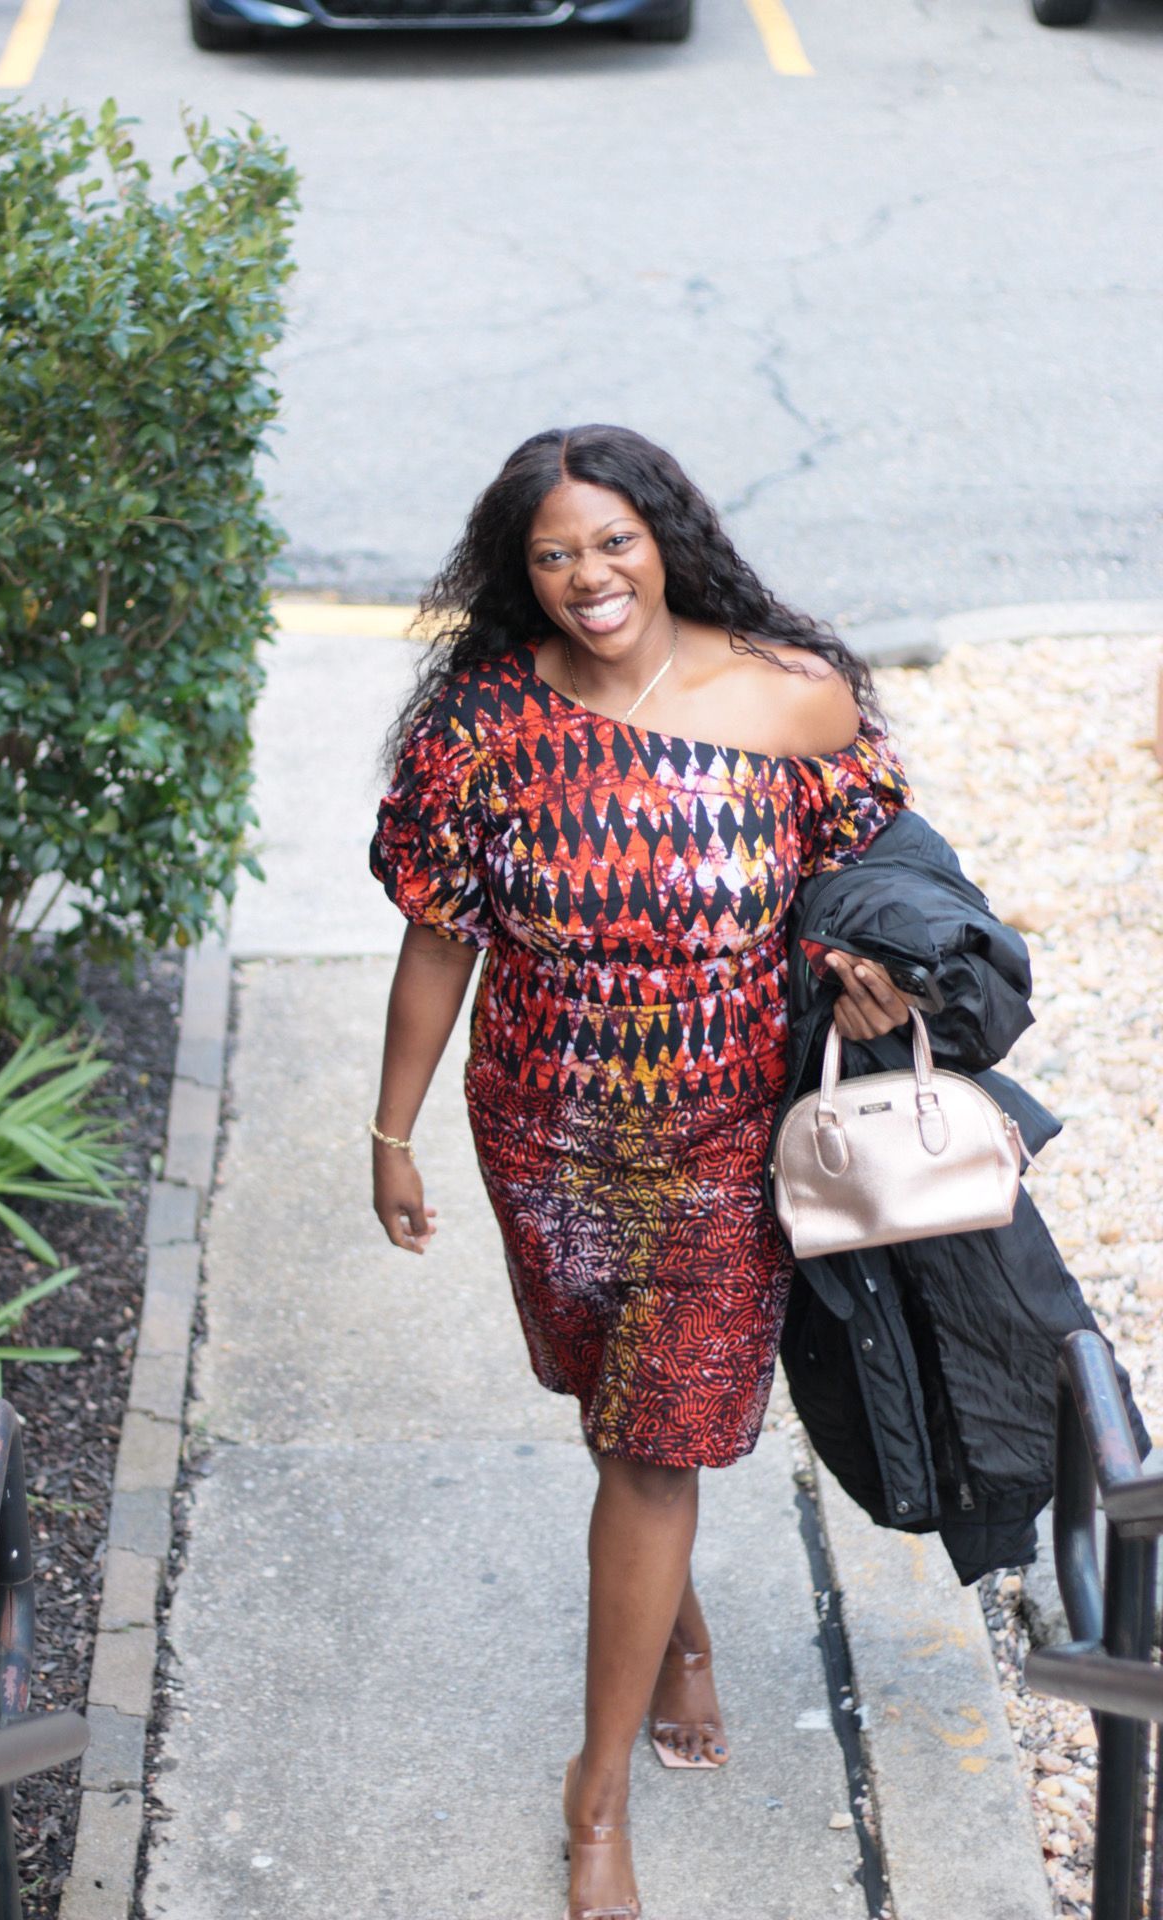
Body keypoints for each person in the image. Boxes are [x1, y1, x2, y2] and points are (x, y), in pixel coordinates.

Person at [369, 424, 915, 1920]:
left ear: (666, 533)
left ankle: (592, 1797)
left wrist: (869, 965)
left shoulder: (792, 697)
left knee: (655, 1445)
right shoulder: (479, 729)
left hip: (726, 1146)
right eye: (553, 554)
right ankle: (671, 1638)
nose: (587, 576)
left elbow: (880, 878)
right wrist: (391, 1131)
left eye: (611, 541)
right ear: (518, 571)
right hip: (541, 1134)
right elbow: (438, 938)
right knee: (608, 1412)